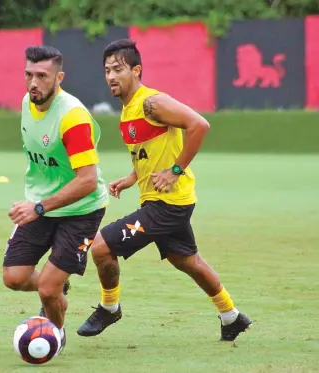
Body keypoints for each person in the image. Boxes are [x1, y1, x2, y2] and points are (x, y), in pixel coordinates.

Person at [76, 39, 252, 342]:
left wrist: (175, 170)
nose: (111, 77)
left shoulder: (151, 103)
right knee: (187, 261)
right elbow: (151, 152)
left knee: (102, 246)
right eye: (106, 71)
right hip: (167, 200)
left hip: (167, 203)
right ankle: (231, 316)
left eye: (118, 69)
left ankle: (109, 307)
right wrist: (133, 176)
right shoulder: (128, 111)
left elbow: (199, 125)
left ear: (137, 70)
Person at [4, 45, 109, 352]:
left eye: (42, 76)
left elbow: (87, 181)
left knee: (48, 290)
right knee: (14, 277)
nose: (33, 82)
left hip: (82, 210)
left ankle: (55, 336)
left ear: (58, 78)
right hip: (41, 206)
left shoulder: (72, 117)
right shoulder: (27, 102)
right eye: (28, 75)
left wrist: (38, 207)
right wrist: (37, 205)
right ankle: (57, 285)